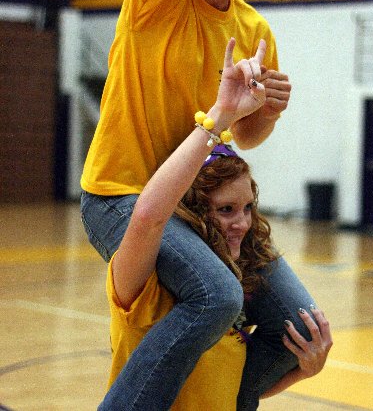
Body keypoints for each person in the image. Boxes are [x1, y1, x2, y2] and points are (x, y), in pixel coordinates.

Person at [80, 0, 319, 408]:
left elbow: (246, 137)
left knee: (299, 324)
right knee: (217, 296)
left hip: (197, 207)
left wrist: (268, 111)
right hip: (120, 196)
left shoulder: (255, 29)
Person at [101, 40, 332, 409]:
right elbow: (147, 217)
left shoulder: (238, 294)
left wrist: (304, 371)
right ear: (192, 212)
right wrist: (222, 115)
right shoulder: (143, 285)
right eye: (226, 210)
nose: (242, 223)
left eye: (248, 208)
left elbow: (234, 388)